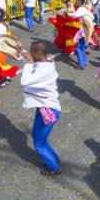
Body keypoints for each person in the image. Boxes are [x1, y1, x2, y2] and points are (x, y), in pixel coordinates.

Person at [20, 41, 62, 176]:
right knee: (41, 139)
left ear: (38, 53)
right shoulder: (48, 61)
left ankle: (54, 168)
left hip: (48, 110)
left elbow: (25, 81)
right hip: (47, 107)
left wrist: (28, 63)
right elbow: (35, 64)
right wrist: (23, 53)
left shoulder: (43, 70)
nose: (30, 54)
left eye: (32, 51)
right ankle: (54, 158)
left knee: (38, 142)